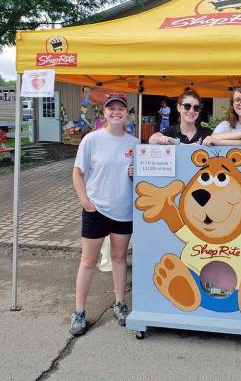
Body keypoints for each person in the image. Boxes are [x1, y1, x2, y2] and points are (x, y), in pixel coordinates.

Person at [70, 93, 139, 336]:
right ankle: (79, 311)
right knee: (88, 261)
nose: (116, 112)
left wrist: (135, 173)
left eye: (121, 108)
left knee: (119, 258)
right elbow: (77, 173)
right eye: (111, 108)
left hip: (124, 210)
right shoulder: (91, 139)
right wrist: (85, 202)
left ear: (127, 113)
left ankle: (120, 303)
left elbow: (140, 175)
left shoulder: (135, 142)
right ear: (104, 112)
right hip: (95, 209)